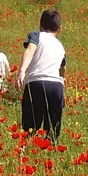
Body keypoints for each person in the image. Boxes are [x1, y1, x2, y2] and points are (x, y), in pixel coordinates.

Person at [15, 8, 65, 138]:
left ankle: (26, 153)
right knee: (52, 131)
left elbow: (30, 50)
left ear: (40, 26)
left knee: (30, 128)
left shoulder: (36, 36)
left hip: (36, 84)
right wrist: (62, 85)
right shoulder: (60, 46)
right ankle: (50, 153)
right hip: (56, 86)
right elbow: (62, 69)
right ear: (59, 28)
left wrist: (21, 71)